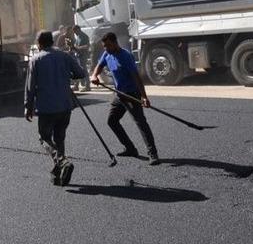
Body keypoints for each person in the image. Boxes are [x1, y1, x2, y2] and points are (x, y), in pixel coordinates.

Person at [25, 31, 88, 184]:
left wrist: (28, 106)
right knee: (60, 138)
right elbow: (80, 73)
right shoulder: (65, 56)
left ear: (39, 43)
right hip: (65, 105)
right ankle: (60, 173)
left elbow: (30, 86)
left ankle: (62, 161)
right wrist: (66, 75)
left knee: (44, 138)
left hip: (47, 107)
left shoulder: (35, 60)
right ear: (52, 42)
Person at [90, 32, 159, 165]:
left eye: (108, 45)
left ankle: (153, 153)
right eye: (104, 46)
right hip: (119, 94)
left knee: (140, 123)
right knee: (112, 121)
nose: (106, 48)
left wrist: (144, 97)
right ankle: (130, 148)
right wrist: (94, 76)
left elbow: (137, 77)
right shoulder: (107, 54)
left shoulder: (126, 56)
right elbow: (99, 66)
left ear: (115, 43)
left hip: (132, 94)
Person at [72, 25, 91, 91]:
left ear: (78, 30)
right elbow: (76, 45)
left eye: (75, 31)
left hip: (83, 55)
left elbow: (87, 46)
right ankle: (76, 85)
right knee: (78, 70)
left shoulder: (84, 36)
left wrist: (77, 48)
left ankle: (87, 86)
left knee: (84, 70)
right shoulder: (78, 37)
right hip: (78, 55)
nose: (75, 33)